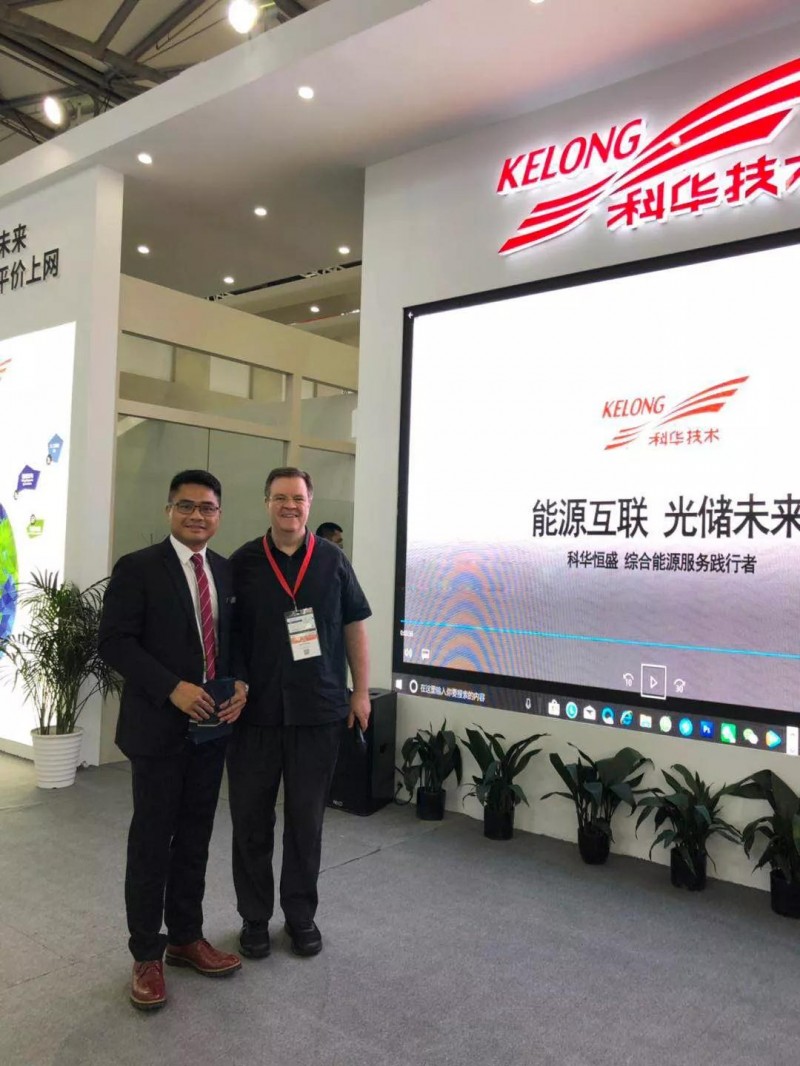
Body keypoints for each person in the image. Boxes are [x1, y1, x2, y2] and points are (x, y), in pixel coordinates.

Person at [99, 470, 248, 1011]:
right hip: (157, 730)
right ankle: (146, 953)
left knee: (195, 838)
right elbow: (114, 642)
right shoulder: (138, 567)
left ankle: (186, 937)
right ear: (169, 511)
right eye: (186, 506)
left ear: (219, 515)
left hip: (210, 731)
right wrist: (172, 688)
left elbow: (234, 642)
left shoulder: (225, 572)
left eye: (207, 508)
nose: (197, 516)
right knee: (151, 842)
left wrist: (242, 684)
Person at [228, 466, 371, 960]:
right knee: (251, 820)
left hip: (318, 710)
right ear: (266, 502)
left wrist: (361, 692)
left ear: (310, 503)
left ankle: (300, 915)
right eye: (281, 497)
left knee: (306, 821)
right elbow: (227, 636)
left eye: (298, 498)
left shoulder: (333, 560)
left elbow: (354, 625)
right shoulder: (243, 563)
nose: (290, 506)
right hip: (255, 714)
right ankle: (253, 918)